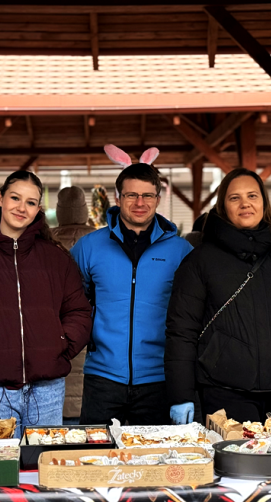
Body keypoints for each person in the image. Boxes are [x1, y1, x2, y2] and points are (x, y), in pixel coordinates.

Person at [165, 168, 271, 424]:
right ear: (223, 207)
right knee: (236, 464)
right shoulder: (200, 261)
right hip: (225, 396)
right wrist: (181, 395)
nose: (245, 203)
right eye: (235, 198)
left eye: (252, 196)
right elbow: (181, 332)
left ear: (263, 203)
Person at [0, 171, 92, 439]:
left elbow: (79, 311)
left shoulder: (56, 259)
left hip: (47, 390)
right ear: (0, 198)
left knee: (44, 466)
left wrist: (58, 347)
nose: (21, 208)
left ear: (38, 209)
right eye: (15, 198)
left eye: (30, 202)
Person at [71, 145, 192, 426]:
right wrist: (91, 336)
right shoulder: (89, 247)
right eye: (132, 195)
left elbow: (191, 314)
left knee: (153, 463)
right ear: (117, 197)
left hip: (159, 380)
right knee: (96, 462)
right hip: (103, 378)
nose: (140, 202)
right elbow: (73, 302)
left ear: (158, 198)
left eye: (148, 195)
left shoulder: (181, 251)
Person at [46, 185, 96, 424]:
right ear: (85, 211)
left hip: (54, 346)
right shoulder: (101, 242)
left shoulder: (44, 245)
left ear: (59, 211)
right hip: (90, 343)